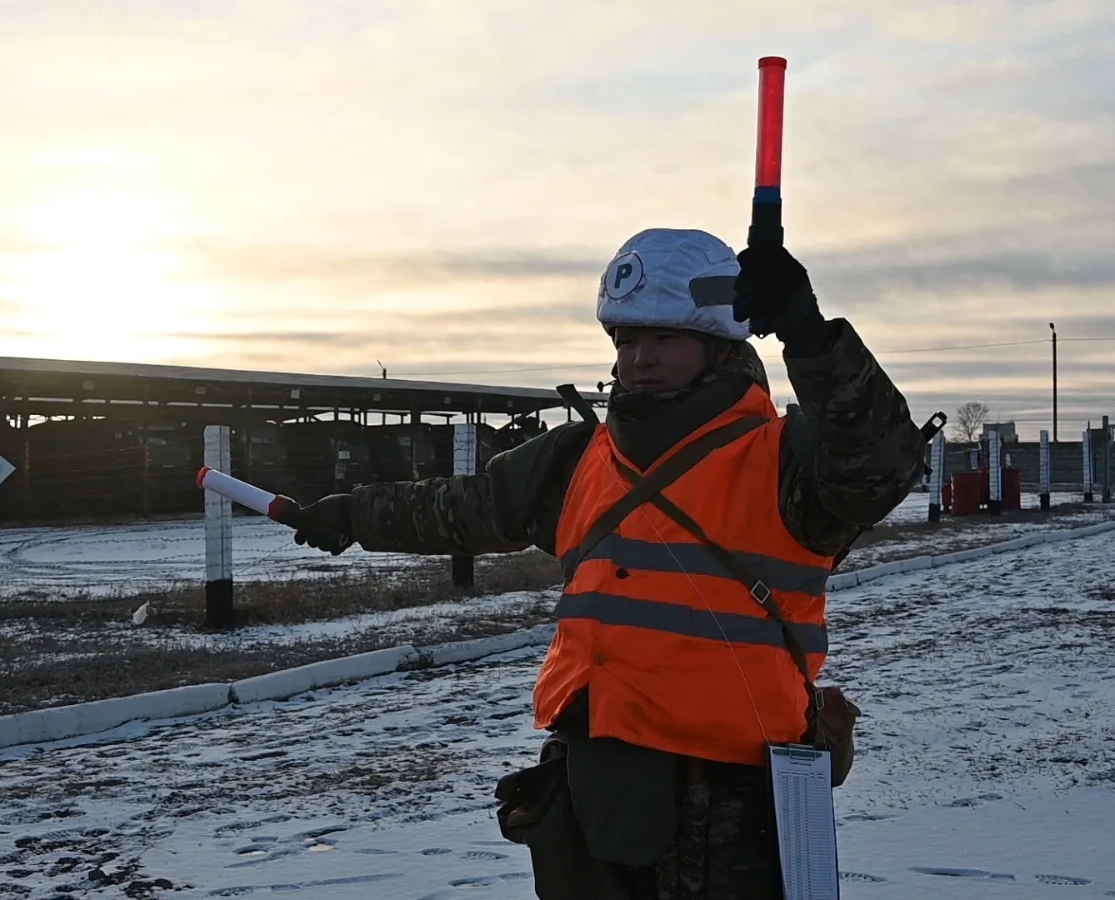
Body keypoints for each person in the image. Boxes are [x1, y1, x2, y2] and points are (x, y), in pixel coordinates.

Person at [288, 228, 926, 899]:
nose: (639, 358)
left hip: (733, 803)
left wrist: (810, 336)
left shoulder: (784, 459)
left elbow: (880, 470)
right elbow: (466, 505)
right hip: (596, 784)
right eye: (626, 340)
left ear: (718, 344)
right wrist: (352, 515)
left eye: (664, 338)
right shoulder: (579, 458)